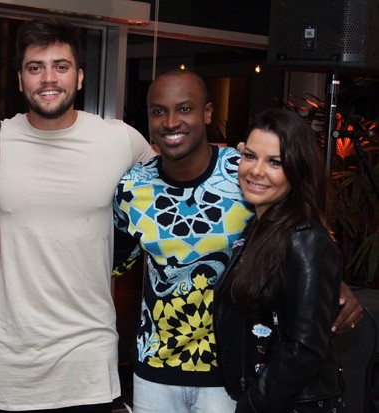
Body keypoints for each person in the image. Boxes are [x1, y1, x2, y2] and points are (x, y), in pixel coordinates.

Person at [112, 69, 361, 413]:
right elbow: (108, 260)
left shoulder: (244, 172)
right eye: (159, 111)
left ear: (208, 113)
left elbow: (297, 229)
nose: (171, 122)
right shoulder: (131, 188)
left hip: (233, 377)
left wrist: (334, 283)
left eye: (184, 109)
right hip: (156, 372)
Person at [0, 17, 155, 413]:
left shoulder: (119, 140)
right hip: (7, 363)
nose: (48, 78)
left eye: (61, 66)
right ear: (20, 80)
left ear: (80, 77)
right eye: (35, 68)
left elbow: (180, 186)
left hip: (87, 361)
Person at [213, 108, 346, 412]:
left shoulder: (306, 239)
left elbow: (306, 348)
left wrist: (253, 404)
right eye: (250, 157)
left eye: (274, 162)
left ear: (297, 170)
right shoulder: (262, 229)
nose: (256, 171)